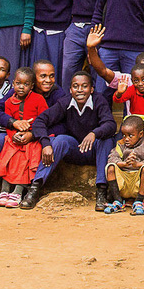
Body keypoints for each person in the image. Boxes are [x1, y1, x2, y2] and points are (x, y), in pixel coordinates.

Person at [29, 71, 116, 211]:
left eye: (84, 86)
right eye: (75, 86)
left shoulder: (99, 101)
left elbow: (111, 125)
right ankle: (36, 187)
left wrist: (94, 133)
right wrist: (45, 144)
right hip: (75, 149)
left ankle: (102, 191)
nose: (80, 90)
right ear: (70, 90)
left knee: (106, 141)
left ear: (92, 89)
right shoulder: (65, 102)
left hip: (95, 151)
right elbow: (40, 121)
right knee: (60, 140)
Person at [0, 66, 49, 208]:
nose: (21, 87)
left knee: (24, 160)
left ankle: (18, 191)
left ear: (31, 86)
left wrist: (30, 134)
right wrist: (14, 136)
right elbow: (9, 124)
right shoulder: (8, 102)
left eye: (25, 84)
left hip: (31, 140)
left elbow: (44, 120)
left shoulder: (38, 99)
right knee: (8, 157)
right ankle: (4, 191)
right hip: (14, 138)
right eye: (18, 83)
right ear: (13, 83)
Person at [105, 115, 144, 216]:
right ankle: (118, 201)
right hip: (123, 181)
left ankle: (139, 201)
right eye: (124, 135)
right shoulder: (120, 144)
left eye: (130, 136)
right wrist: (123, 163)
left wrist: (138, 164)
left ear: (140, 134)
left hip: (138, 181)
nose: (126, 139)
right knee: (110, 167)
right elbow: (112, 157)